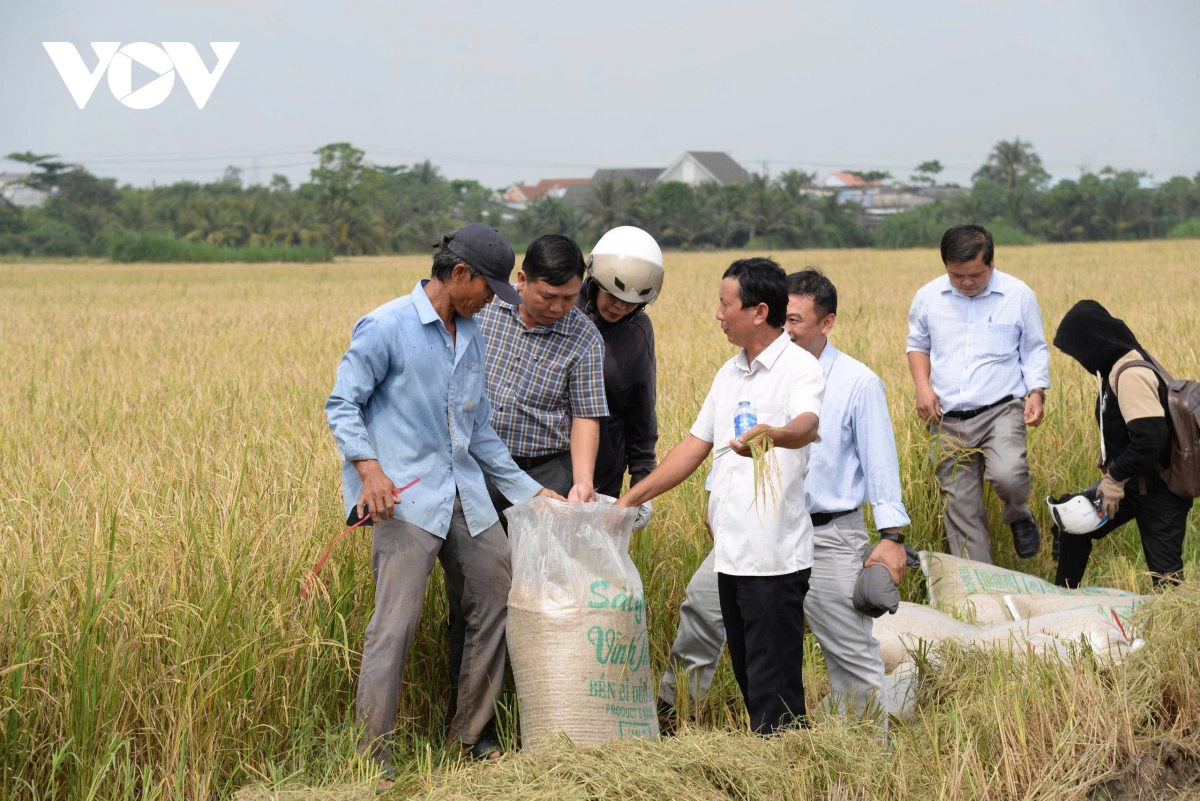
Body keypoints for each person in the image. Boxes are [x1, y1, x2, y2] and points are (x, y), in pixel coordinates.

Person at [324, 224, 562, 788]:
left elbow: (478, 432)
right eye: (487, 288)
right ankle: (371, 760)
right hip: (404, 502)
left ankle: (467, 739)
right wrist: (370, 470)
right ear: (459, 275)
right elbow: (342, 404)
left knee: (495, 592)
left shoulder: (473, 332)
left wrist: (531, 491)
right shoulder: (387, 326)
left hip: (465, 496)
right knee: (395, 626)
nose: (491, 301)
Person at [657, 268, 911, 730]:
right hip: (752, 532)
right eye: (781, 318)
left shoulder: (857, 382)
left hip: (828, 534)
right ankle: (673, 719)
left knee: (849, 651)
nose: (786, 329)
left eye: (796, 321)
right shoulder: (746, 370)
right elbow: (726, 442)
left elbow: (880, 465)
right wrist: (716, 497)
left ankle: (868, 753)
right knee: (701, 613)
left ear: (826, 323)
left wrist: (892, 536)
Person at [617, 257, 824, 734]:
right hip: (730, 553)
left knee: (776, 687)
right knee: (750, 674)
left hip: (774, 558)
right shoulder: (729, 374)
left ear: (758, 311)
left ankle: (787, 766)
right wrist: (631, 499)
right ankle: (768, 760)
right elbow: (693, 447)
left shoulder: (798, 368)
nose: (717, 314)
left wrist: (772, 434)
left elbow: (806, 425)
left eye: (725, 304)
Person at [447, 233, 609, 703]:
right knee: (475, 598)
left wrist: (582, 482)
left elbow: (585, 414)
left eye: (570, 297)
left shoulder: (584, 336)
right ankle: (472, 717)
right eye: (548, 296)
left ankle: (540, 707)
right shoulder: (482, 314)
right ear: (521, 281)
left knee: (545, 596)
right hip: (477, 475)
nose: (560, 307)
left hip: (546, 477)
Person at [906, 224, 1050, 563]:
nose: (966, 283)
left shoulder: (1018, 295)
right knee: (961, 508)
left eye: (975, 274)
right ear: (945, 266)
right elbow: (917, 345)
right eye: (957, 275)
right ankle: (981, 592)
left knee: (1009, 475)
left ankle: (1018, 514)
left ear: (992, 262)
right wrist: (922, 388)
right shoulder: (928, 297)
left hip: (1001, 410)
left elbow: (1034, 349)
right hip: (947, 417)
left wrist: (1036, 391)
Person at [1051, 300, 1194, 587]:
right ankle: (1063, 597)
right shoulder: (1116, 366)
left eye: (1078, 352)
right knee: (1073, 525)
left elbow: (1149, 439)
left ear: (1093, 344)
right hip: (1133, 481)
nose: (1080, 361)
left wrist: (1114, 480)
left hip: (1160, 490)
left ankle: (1178, 622)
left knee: (1166, 579)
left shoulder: (1130, 373)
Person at [578, 226, 664, 504]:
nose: (620, 307)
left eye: (631, 303)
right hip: (546, 468)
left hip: (604, 474)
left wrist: (642, 479)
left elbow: (642, 407)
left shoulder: (637, 332)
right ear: (595, 281)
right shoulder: (562, 310)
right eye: (613, 296)